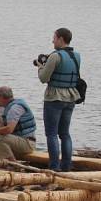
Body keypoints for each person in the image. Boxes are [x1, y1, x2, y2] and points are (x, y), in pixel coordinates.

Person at [37, 27, 81, 171]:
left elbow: (44, 78)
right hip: (71, 98)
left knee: (51, 133)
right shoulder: (77, 55)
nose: (52, 40)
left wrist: (40, 66)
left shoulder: (55, 56)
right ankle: (67, 165)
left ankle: (54, 167)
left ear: (61, 39)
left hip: (54, 98)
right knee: (65, 133)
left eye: (54, 38)